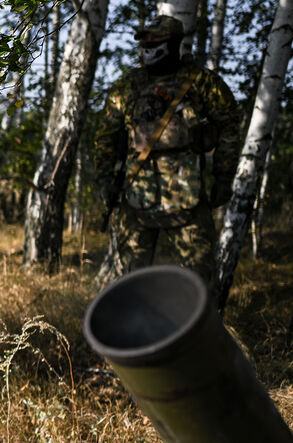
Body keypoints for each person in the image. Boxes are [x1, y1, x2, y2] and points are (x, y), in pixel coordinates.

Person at [94, 15, 241, 287]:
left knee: (199, 277)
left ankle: (200, 328)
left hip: (187, 194)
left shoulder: (202, 83)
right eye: (144, 40)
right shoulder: (127, 87)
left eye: (155, 39)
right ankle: (135, 328)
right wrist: (105, 180)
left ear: (173, 42)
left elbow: (230, 126)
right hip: (136, 194)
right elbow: (105, 136)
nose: (148, 45)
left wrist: (224, 176)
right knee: (130, 280)